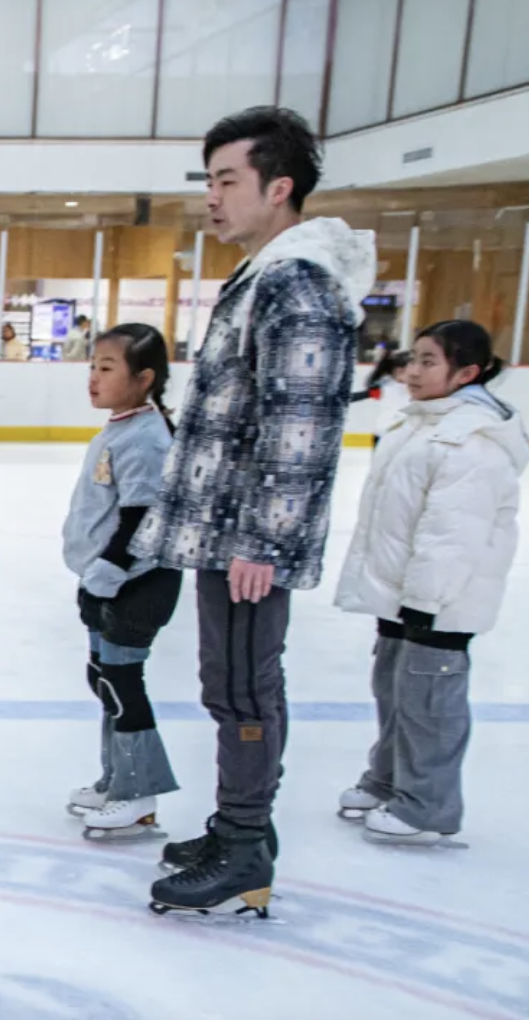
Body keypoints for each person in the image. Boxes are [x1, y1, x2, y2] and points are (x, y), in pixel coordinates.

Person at [131, 106, 378, 918]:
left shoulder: (295, 281)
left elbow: (299, 424)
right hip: (228, 527)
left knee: (242, 686)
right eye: (209, 180)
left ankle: (243, 846)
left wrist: (265, 542)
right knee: (229, 682)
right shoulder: (269, 273)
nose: (212, 197)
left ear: (279, 188)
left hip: (248, 538)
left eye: (227, 180)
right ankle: (236, 829)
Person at [334, 321, 529, 846]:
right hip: (404, 594)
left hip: (438, 600)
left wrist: (424, 600)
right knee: (395, 689)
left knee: (428, 701)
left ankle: (427, 805)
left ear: (467, 372)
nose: (412, 371)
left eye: (428, 362)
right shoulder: (418, 422)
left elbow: (452, 534)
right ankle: (390, 779)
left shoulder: (470, 439)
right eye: (412, 359)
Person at [61, 324, 183, 842]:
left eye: (106, 368)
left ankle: (138, 795)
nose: (93, 378)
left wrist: (109, 572)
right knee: (105, 680)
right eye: (92, 366)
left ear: (145, 378)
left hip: (136, 584)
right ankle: (118, 779)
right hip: (107, 581)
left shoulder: (147, 438)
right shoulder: (121, 428)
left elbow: (144, 517)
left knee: (121, 683)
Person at [351, 350, 411, 448]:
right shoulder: (384, 387)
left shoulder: (417, 388)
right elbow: (359, 395)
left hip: (404, 437)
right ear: (397, 370)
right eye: (402, 371)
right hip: (383, 435)